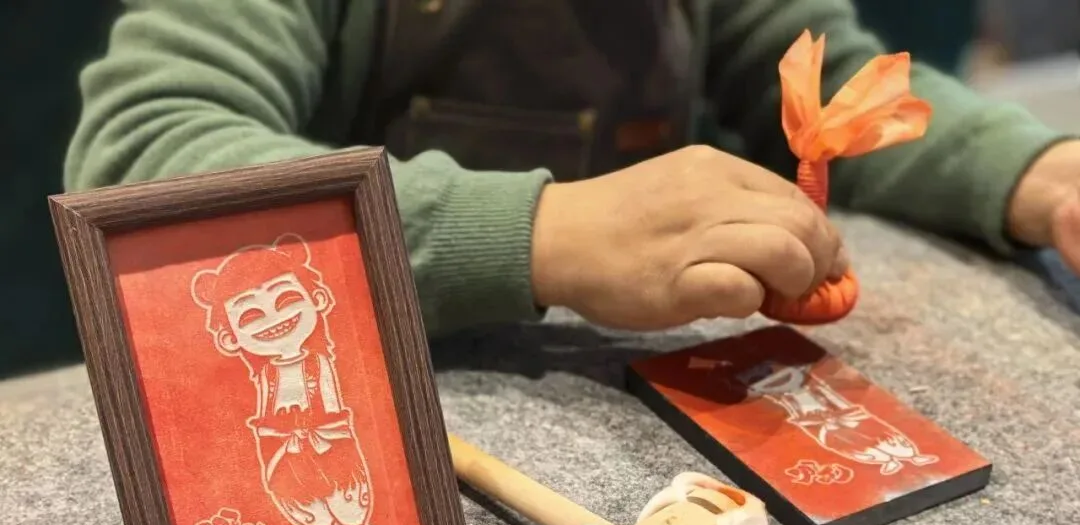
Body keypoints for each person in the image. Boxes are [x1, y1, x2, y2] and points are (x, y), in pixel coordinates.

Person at [64, 0, 1080, 338]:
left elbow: (838, 82)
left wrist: (1038, 171)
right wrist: (546, 235)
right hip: (388, 392)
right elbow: (142, 151)